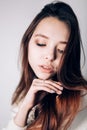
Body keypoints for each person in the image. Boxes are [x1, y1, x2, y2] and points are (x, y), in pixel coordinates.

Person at [2, 1, 87, 130]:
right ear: (27, 42)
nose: (50, 56)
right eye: (41, 43)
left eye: (62, 50)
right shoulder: (24, 92)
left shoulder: (82, 99)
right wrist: (25, 107)